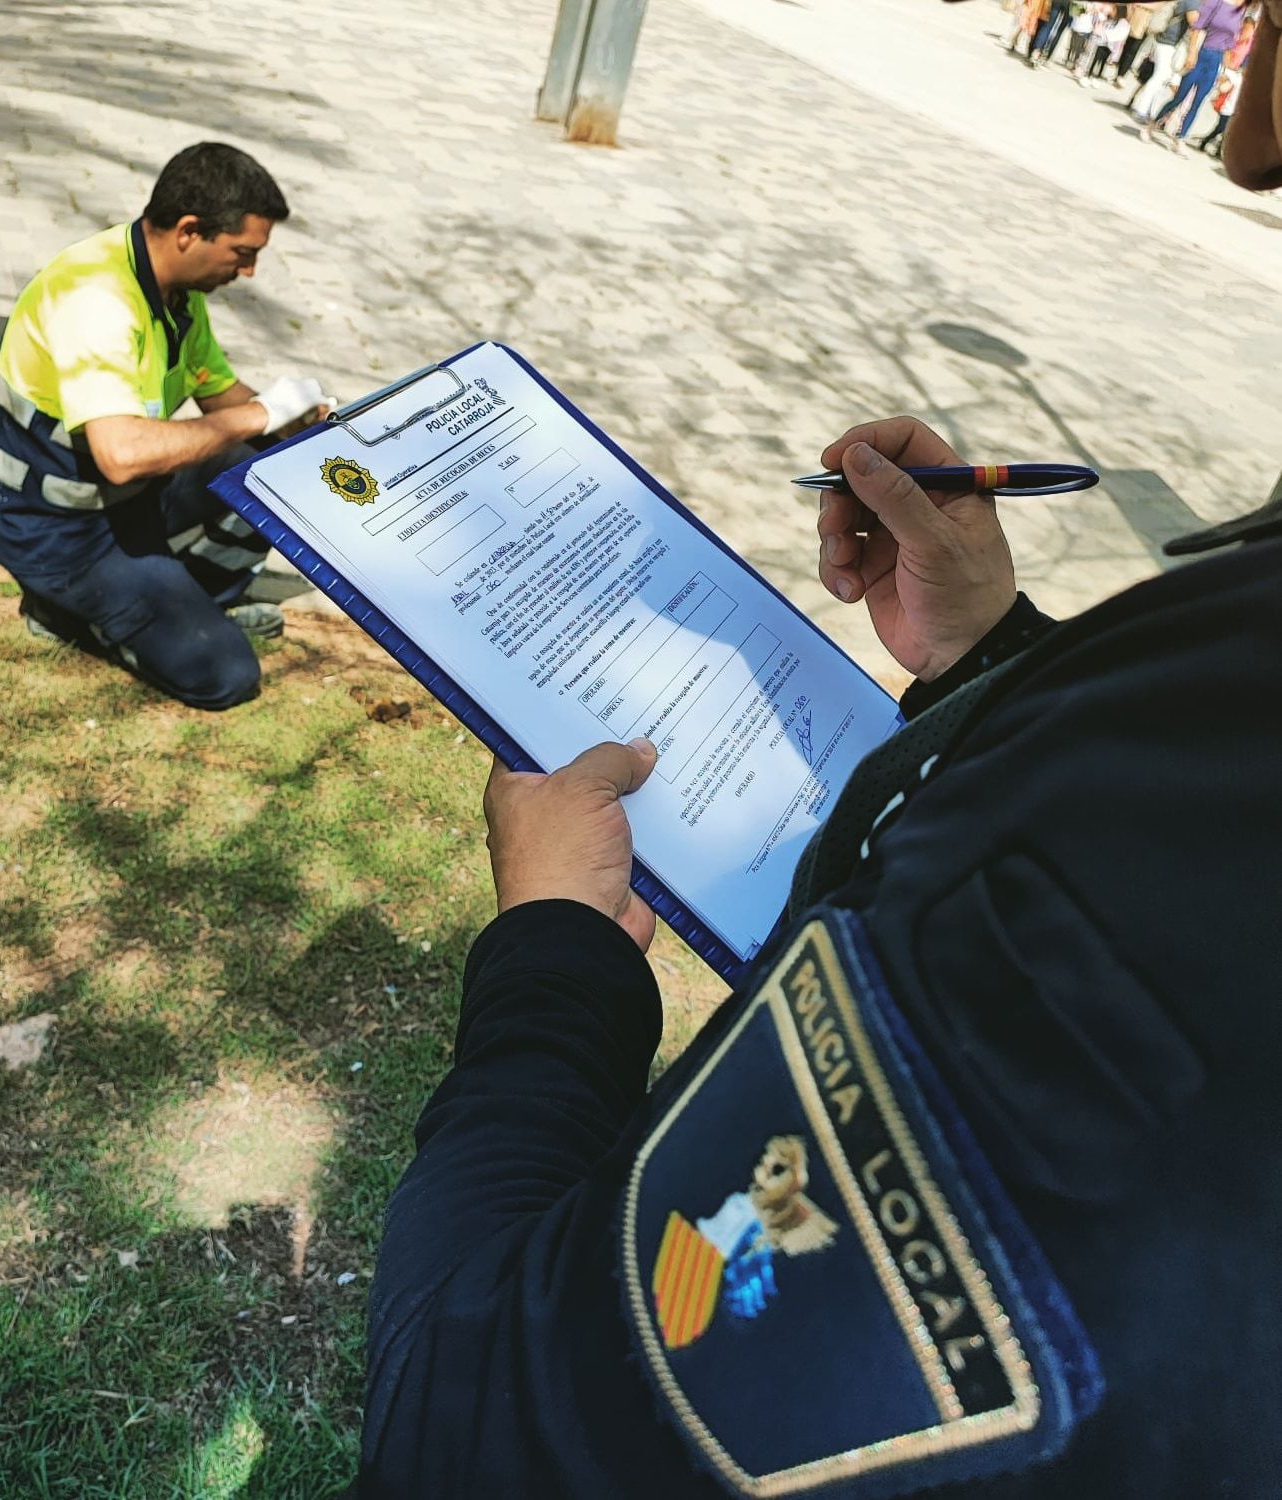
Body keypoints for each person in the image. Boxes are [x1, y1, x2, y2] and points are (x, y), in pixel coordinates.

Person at [355, 4, 1282, 1490]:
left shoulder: (1216, 737)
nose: (1245, 136)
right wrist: (992, 662)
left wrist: (552, 950)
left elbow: (485, 1414)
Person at [0, 142, 332, 711]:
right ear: (189, 231)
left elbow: (220, 395)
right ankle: (64, 612)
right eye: (242, 253)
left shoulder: (175, 294)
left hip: (127, 505)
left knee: (270, 466)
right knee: (226, 674)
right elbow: (121, 454)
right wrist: (260, 414)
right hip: (60, 534)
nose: (248, 272)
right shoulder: (95, 299)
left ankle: (185, 601)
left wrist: (298, 425)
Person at [1143, 0, 1248, 147]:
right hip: (1201, 53)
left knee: (1197, 102)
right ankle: (1151, 125)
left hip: (1216, 61)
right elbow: (1196, 28)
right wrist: (1192, 53)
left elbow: (1229, 44)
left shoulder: (1240, 10)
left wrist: (1225, 70)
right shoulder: (1216, 2)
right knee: (1180, 97)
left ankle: (1181, 138)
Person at [1130, 1, 1185, 117]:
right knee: (1158, 77)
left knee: (1154, 76)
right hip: (1167, 41)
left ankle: (1139, 105)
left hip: (1162, 38)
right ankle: (1141, 108)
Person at [1199, 60, 1244, 151]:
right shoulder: (1237, 78)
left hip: (1236, 110)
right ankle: (1206, 141)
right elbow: (1223, 87)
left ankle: (1218, 149)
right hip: (1228, 108)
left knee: (1227, 131)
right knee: (1221, 128)